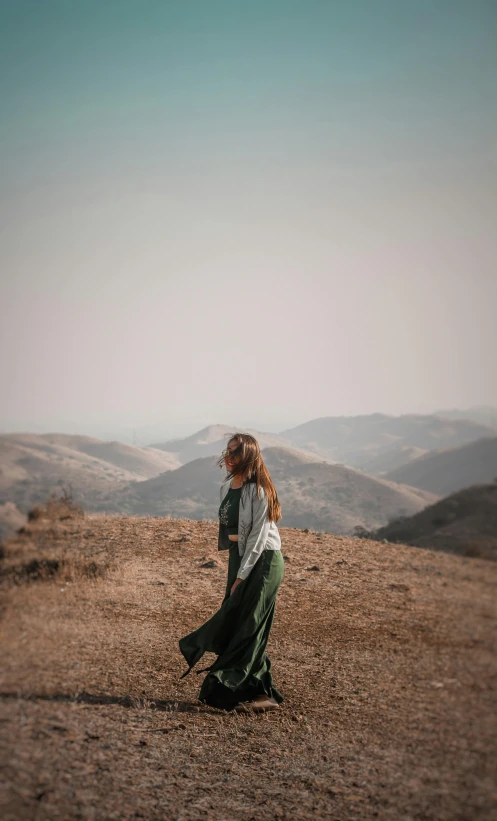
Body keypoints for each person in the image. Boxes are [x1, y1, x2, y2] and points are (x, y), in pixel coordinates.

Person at [178, 433, 285, 712]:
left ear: (248, 457)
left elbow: (258, 538)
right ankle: (255, 691)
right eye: (228, 452)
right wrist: (236, 571)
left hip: (263, 561)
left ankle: (257, 692)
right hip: (240, 559)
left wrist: (241, 576)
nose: (229, 458)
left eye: (236, 454)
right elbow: (232, 532)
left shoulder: (258, 490)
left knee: (250, 624)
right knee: (240, 621)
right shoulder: (227, 488)